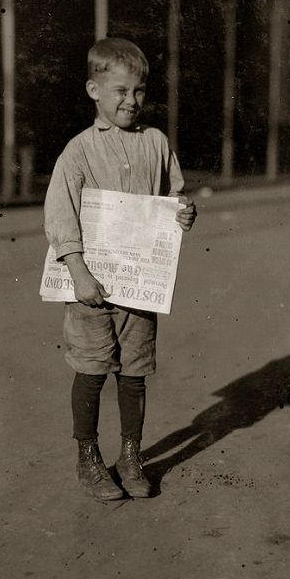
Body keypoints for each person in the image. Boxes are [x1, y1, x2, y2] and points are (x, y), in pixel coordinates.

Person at [43, 37, 197, 500]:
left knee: (134, 374)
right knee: (91, 371)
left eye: (140, 92)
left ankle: (131, 455)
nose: (131, 101)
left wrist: (184, 212)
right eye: (120, 91)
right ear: (94, 90)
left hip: (138, 290)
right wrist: (79, 272)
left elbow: (174, 198)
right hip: (92, 288)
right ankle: (88, 457)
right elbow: (60, 217)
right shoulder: (78, 152)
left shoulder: (156, 143)